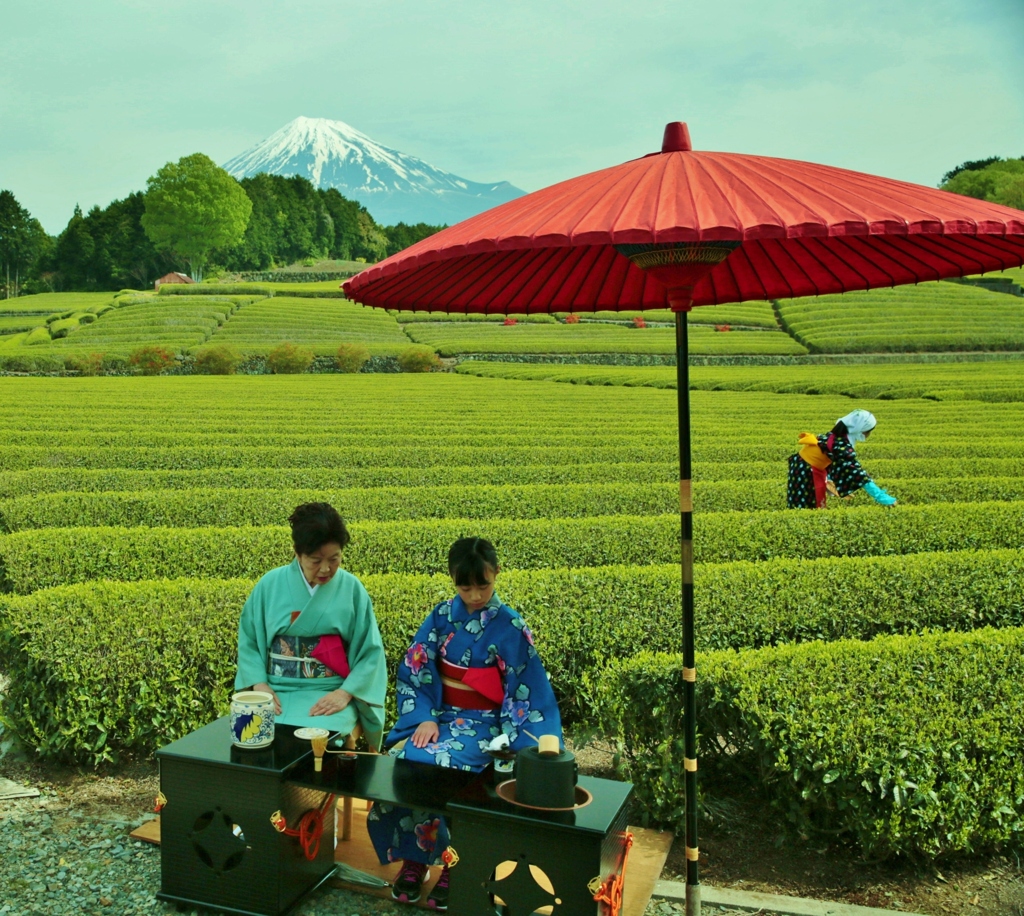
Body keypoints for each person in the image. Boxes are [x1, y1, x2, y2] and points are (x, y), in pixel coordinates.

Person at [367, 537, 563, 911]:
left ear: (496, 574)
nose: (474, 595)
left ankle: (454, 865)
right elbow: (415, 669)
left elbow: (527, 689)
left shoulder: (510, 625)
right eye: (465, 587)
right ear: (452, 579)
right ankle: (415, 859)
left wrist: (517, 740)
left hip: (489, 725)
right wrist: (423, 717)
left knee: (453, 765)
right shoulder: (441, 616)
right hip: (440, 717)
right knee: (410, 759)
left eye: (483, 585)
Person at [234, 502, 388, 748]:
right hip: (275, 690)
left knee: (327, 739)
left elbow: (370, 652)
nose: (326, 569)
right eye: (315, 560)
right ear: (298, 553)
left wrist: (345, 693)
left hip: (330, 691)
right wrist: (260, 685)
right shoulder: (269, 585)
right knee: (251, 732)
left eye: (334, 559)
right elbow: (249, 640)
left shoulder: (352, 589)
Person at [786, 409, 897, 509]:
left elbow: (831, 459)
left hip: (800, 465)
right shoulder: (842, 446)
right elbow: (859, 474)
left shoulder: (837, 436)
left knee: (801, 504)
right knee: (809, 506)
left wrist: (829, 480)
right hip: (806, 470)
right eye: (868, 431)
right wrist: (883, 498)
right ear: (861, 429)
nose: (869, 434)